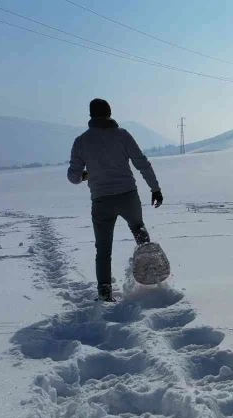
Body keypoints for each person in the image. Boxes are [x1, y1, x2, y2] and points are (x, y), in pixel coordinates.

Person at [67, 98, 163, 302]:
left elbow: (73, 177)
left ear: (91, 115)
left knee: (103, 249)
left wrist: (87, 175)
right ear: (110, 112)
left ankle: (104, 292)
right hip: (128, 195)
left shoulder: (81, 141)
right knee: (140, 232)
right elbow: (141, 163)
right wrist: (155, 188)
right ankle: (153, 275)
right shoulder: (122, 135)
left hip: (101, 201)